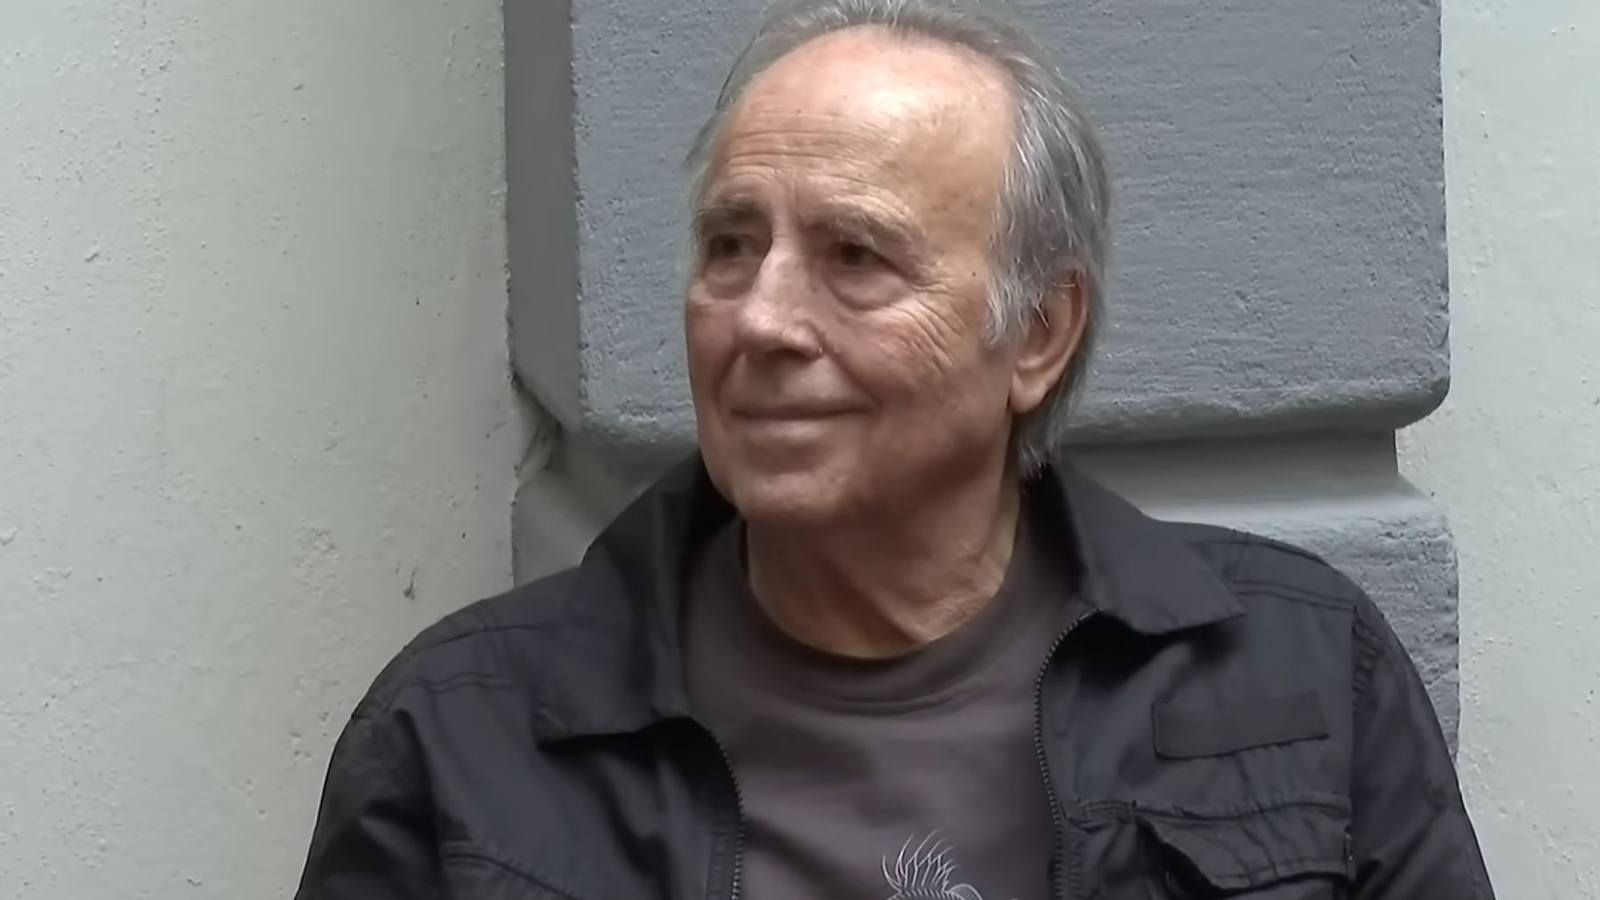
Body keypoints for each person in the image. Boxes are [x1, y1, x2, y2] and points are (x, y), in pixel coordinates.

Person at [295, 1, 1496, 897]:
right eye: (727, 246)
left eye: (855, 257)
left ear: (1036, 331)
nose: (759, 320)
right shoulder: (462, 737)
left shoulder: (1297, 671)